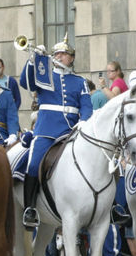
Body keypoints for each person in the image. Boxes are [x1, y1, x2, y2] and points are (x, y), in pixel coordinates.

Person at [18, 35, 93, 229]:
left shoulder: (80, 81)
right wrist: (32, 60)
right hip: (47, 130)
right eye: (57, 53)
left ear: (71, 58)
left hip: (71, 131)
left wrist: (84, 121)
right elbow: (25, 83)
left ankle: (107, 207)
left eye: (64, 54)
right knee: (34, 164)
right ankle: (29, 209)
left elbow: (86, 106)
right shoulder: (45, 75)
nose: (59, 57)